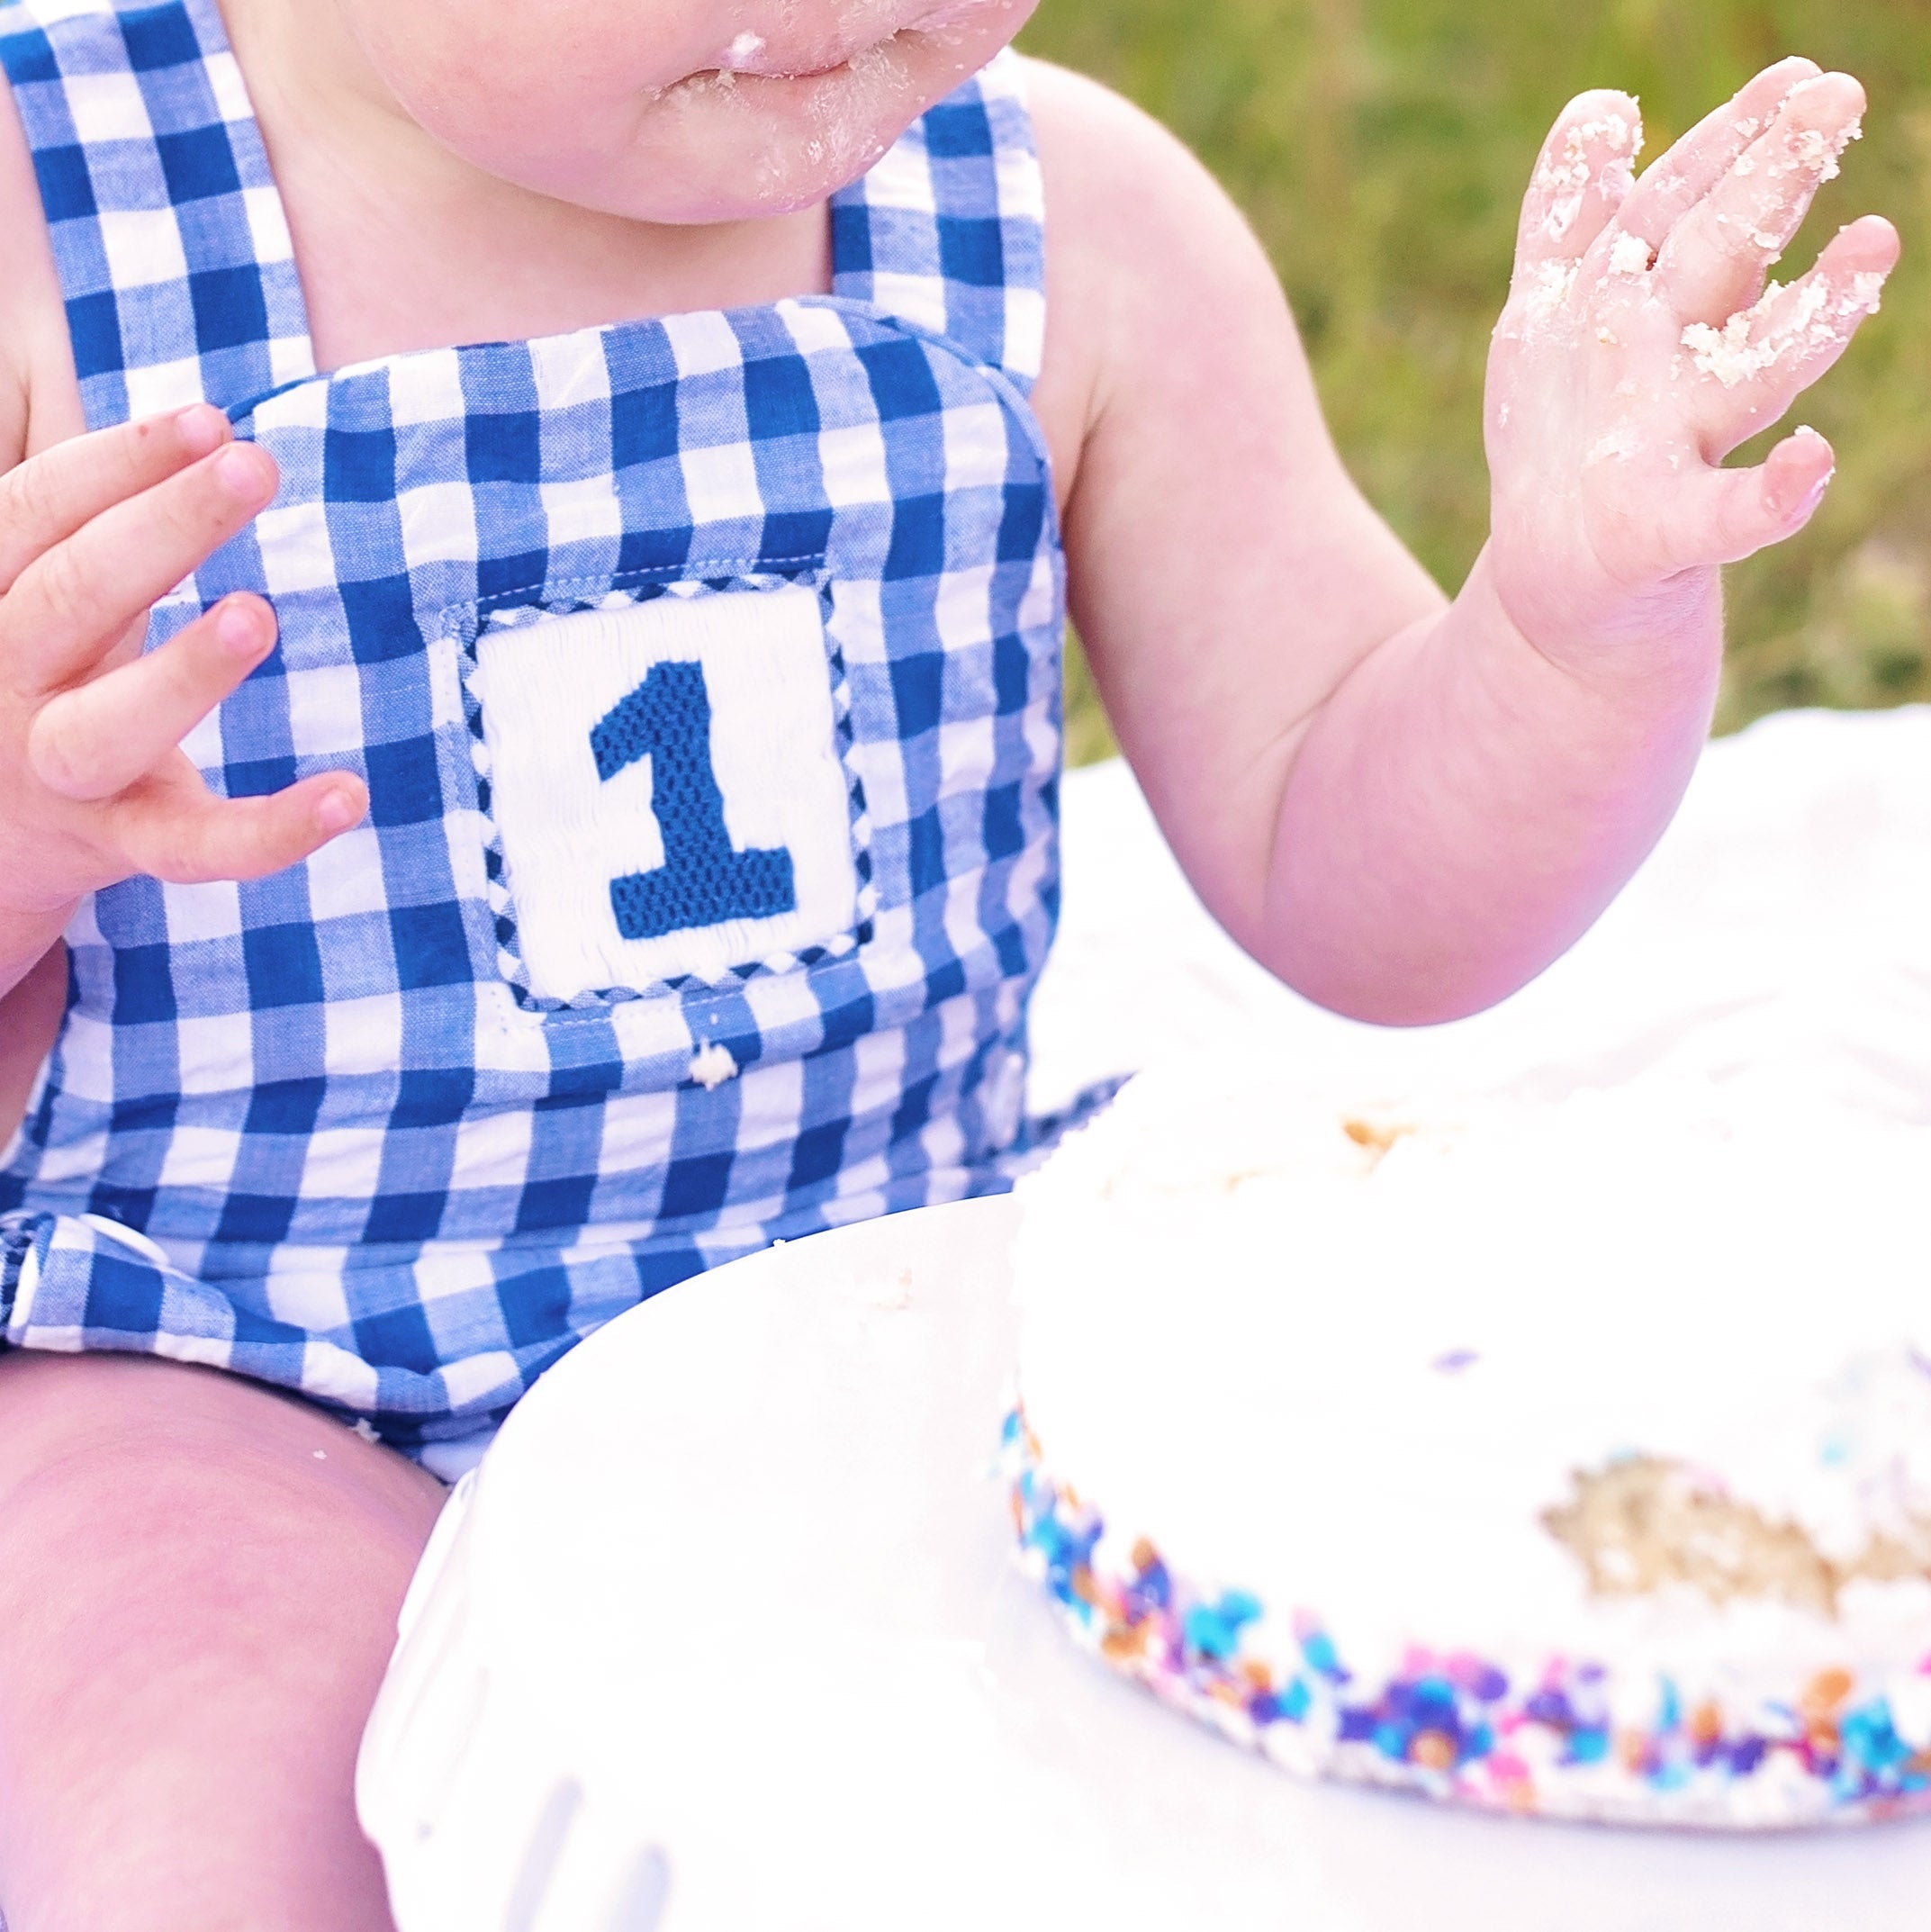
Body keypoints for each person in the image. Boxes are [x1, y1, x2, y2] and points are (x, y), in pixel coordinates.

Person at [0, 0, 1896, 1920]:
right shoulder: (46, 231)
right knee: (217, 1820)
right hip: (235, 1364)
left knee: (1179, 1812)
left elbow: (1353, 856)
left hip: (876, 1326)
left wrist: (1569, 628)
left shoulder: (1064, 231)